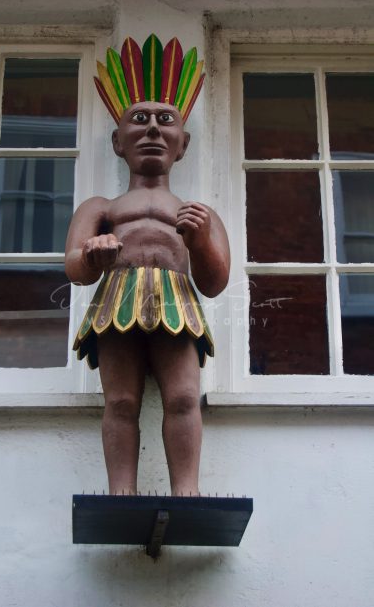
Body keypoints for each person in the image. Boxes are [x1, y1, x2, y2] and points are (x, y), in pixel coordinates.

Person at [65, 35, 230, 497]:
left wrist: (199, 241)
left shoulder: (200, 213)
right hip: (116, 301)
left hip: (177, 302)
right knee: (120, 400)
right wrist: (92, 253)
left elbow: (215, 282)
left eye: (165, 120)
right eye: (140, 119)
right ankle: (121, 491)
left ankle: (187, 491)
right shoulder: (101, 206)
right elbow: (74, 266)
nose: (153, 129)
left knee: (184, 397)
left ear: (183, 143)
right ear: (118, 142)